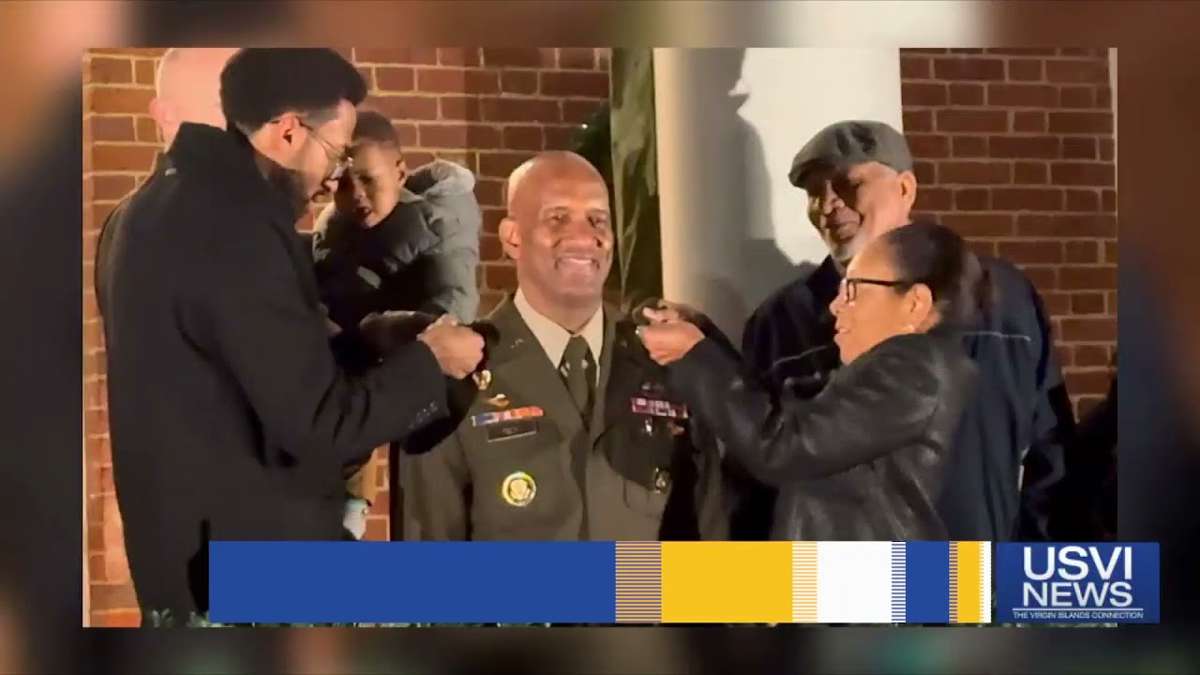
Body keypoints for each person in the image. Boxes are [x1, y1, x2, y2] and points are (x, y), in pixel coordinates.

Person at [95, 48, 484, 624]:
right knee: (501, 591)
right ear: (287, 132)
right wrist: (431, 360)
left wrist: (364, 342)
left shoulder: (136, 214)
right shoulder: (240, 227)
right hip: (253, 578)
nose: (333, 180)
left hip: (193, 569)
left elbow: (239, 376)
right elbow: (321, 424)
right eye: (336, 152)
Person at [740, 120, 1074, 542]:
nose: (827, 205)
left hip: (981, 573)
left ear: (905, 189)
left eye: (848, 184)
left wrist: (1033, 566)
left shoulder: (1005, 299)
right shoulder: (781, 321)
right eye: (814, 193)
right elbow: (754, 474)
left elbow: (1051, 451)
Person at [399, 151, 727, 541]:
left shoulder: (664, 358)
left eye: (597, 219)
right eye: (557, 218)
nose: (584, 237)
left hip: (642, 585)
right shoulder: (457, 370)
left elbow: (709, 538)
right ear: (513, 238)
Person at [641, 221, 980, 540]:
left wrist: (693, 354)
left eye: (853, 290)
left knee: (629, 579)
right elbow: (781, 416)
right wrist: (705, 342)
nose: (835, 306)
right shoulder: (909, 369)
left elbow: (783, 445)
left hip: (865, 579)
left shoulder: (913, 370)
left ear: (915, 303)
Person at [313, 110, 482, 339]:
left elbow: (453, 306)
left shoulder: (440, 223)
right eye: (342, 184)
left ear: (400, 174)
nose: (356, 194)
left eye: (368, 180)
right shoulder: (331, 229)